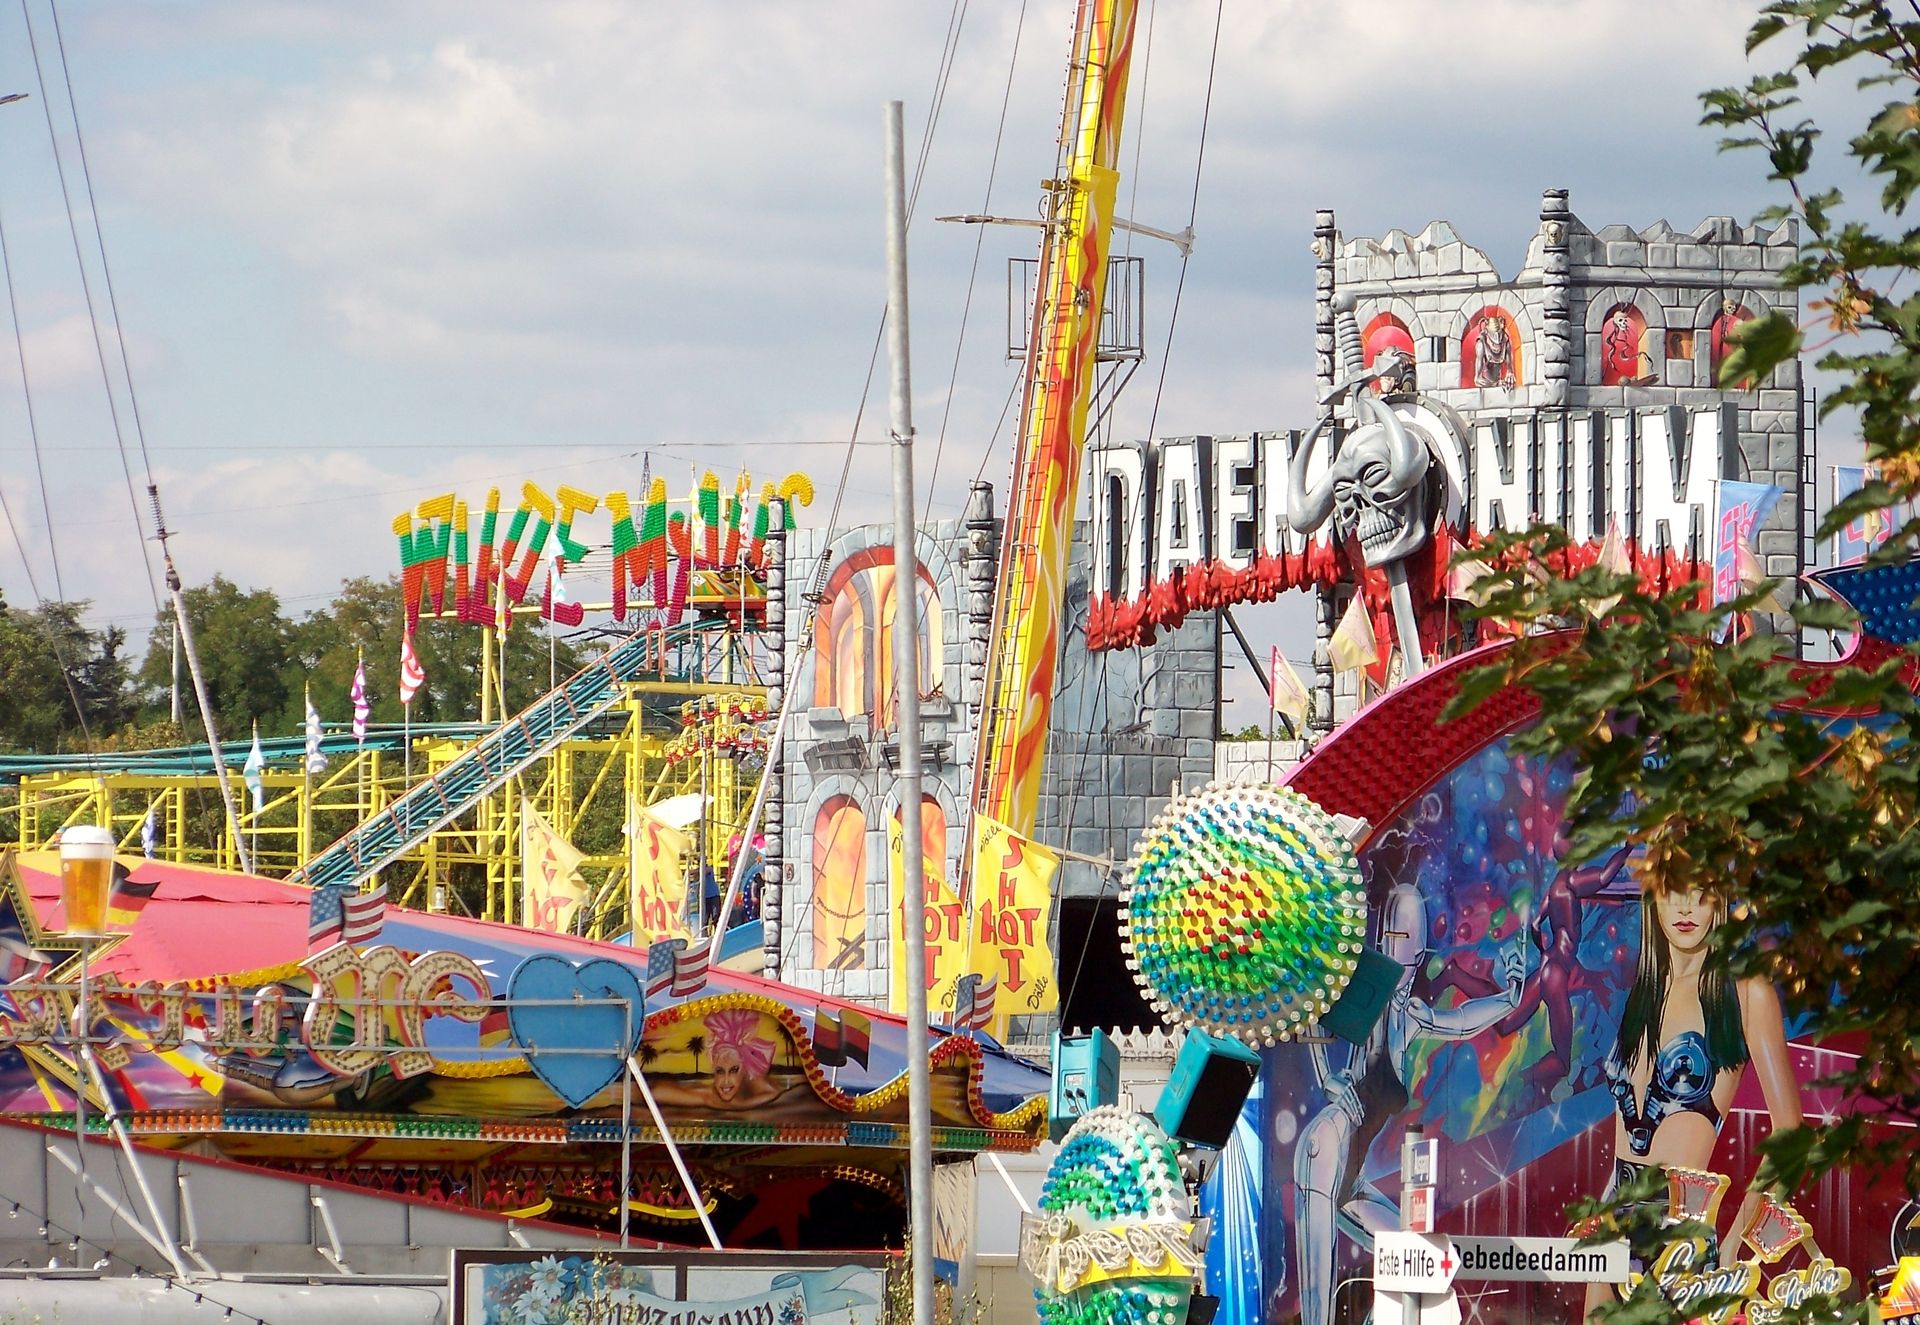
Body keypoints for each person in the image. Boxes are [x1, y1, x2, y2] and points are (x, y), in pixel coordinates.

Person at [1586, 882, 1802, 1315]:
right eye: (1672, 891)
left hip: (1682, 1241)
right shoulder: (1645, 990)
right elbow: (1627, 1136)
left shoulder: (1744, 992)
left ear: (1719, 900)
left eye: (1699, 892)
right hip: (1614, 1228)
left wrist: (1736, 1243)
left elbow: (1792, 1135)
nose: (1685, 907)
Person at [1602, 307, 1644, 385]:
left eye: (1625, 321)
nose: (1624, 323)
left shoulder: (1630, 336)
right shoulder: (1613, 340)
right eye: (1620, 320)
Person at [1475, 314, 1516, 388]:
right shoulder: (1481, 343)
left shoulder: (1505, 340)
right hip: (1487, 383)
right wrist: (1496, 384)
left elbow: (1510, 369)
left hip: (1498, 381)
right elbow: (1478, 380)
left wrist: (1510, 374)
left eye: (1499, 333)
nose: (1497, 338)